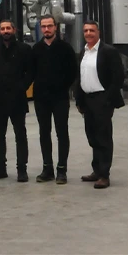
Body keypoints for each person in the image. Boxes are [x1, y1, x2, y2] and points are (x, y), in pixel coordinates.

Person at [76, 20, 126, 190]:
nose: (88, 33)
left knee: (103, 137)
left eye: (92, 30)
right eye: (85, 31)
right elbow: (79, 77)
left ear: (98, 32)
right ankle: (96, 171)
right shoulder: (83, 53)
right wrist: (79, 100)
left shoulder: (108, 51)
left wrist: (107, 99)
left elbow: (118, 77)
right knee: (92, 136)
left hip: (102, 100)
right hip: (87, 100)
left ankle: (104, 175)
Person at [30, 15, 79, 184]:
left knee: (61, 133)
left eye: (49, 26)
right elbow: (31, 73)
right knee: (44, 133)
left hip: (60, 98)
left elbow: (73, 72)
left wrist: (62, 86)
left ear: (55, 27)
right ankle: (47, 168)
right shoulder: (36, 49)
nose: (46, 29)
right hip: (41, 99)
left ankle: (61, 170)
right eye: (43, 26)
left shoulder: (65, 48)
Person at [0, 20, 33, 182]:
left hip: (17, 99)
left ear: (14, 30)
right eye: (2, 29)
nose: (5, 31)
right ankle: (1, 168)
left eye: (8, 28)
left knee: (20, 135)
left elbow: (30, 72)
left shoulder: (24, 50)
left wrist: (22, 86)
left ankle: (22, 170)